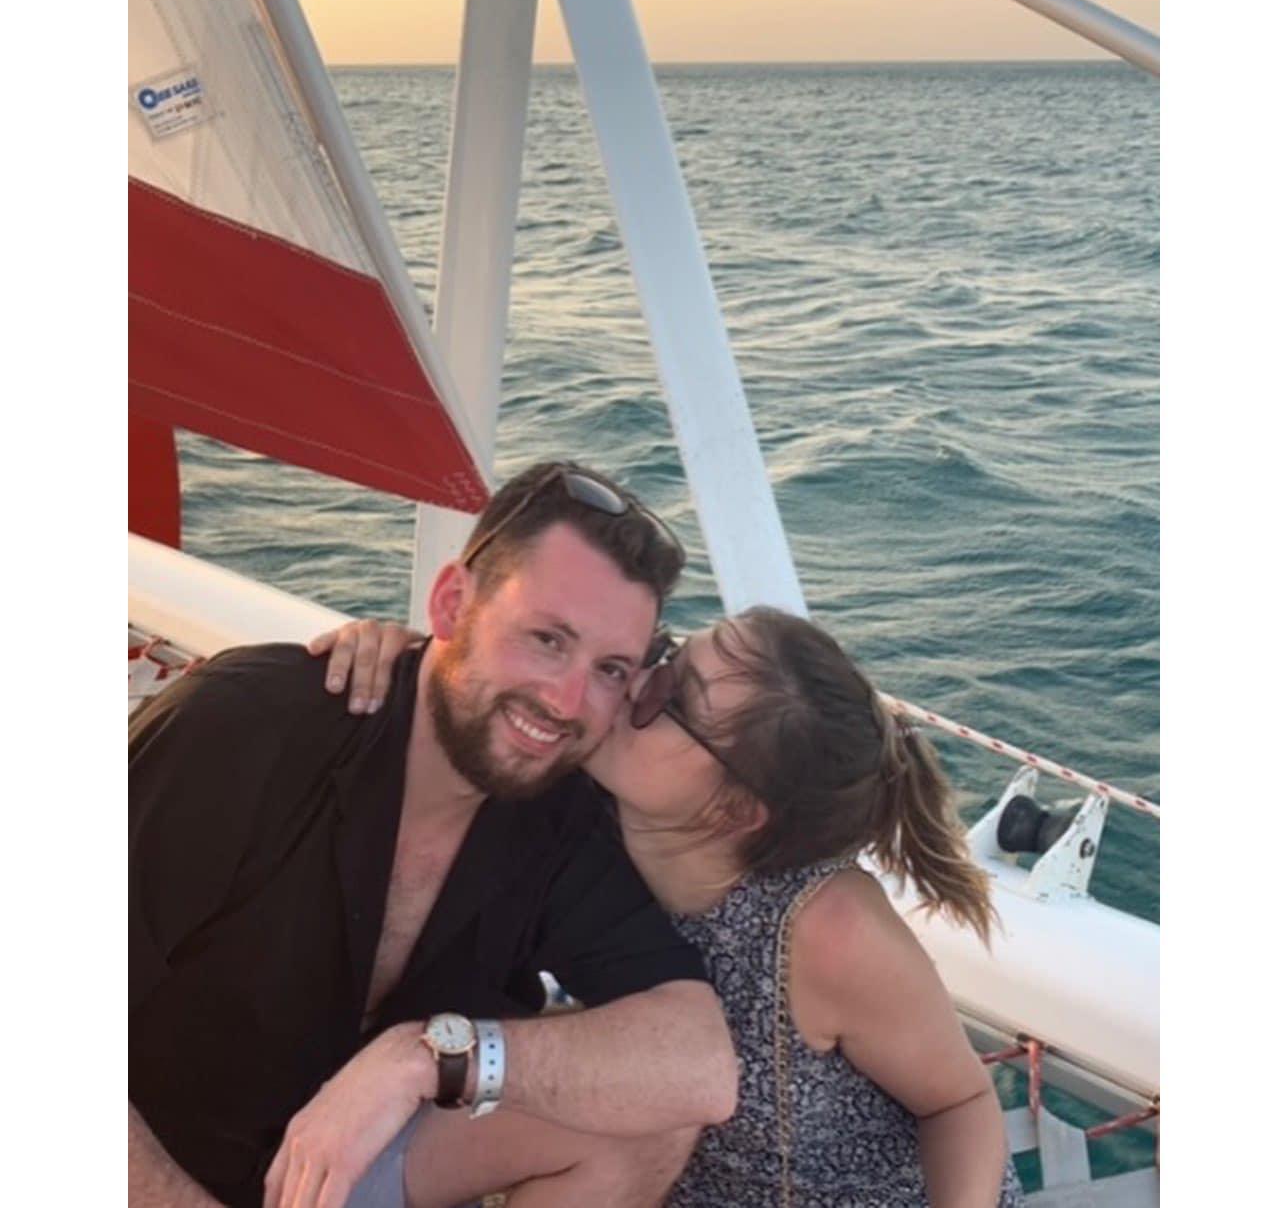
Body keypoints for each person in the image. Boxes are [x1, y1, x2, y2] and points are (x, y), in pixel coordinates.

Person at [129, 461, 740, 1208]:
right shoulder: (247, 728)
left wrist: (422, 1058)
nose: (567, 701)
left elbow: (699, 1066)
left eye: (611, 669)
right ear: (452, 604)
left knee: (641, 1122)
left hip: (341, 1175)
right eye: (547, 639)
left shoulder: (559, 809)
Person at [319, 607, 1026, 1206]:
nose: (633, 683)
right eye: (666, 654)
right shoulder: (584, 809)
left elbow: (959, 1103)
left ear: (735, 808)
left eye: (670, 697)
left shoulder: (825, 928)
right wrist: (399, 659)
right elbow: (469, 711)